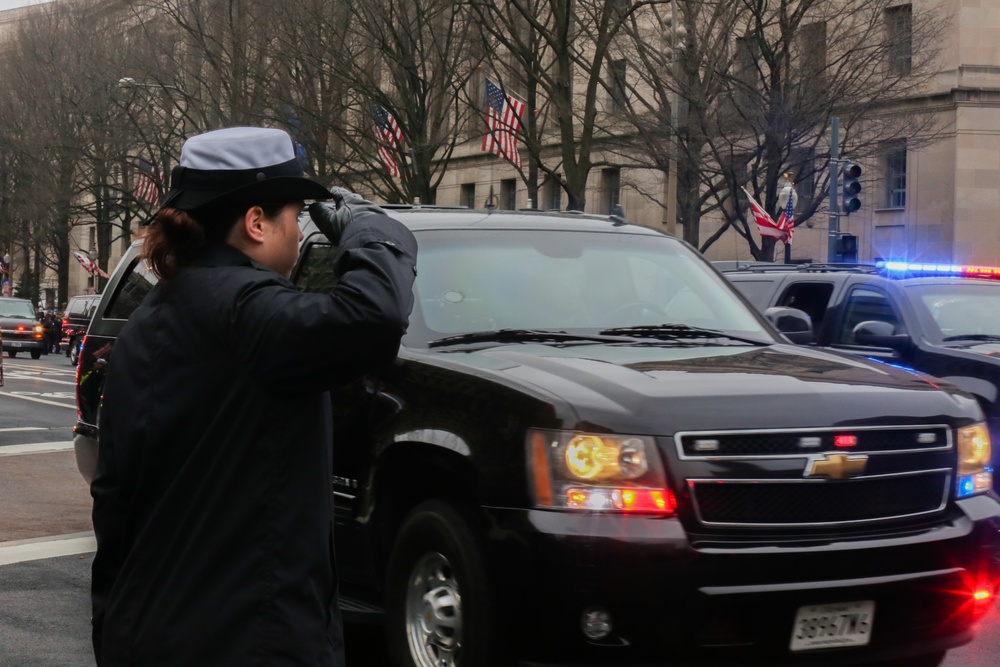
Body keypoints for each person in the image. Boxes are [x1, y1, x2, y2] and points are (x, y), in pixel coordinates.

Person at [90, 127, 417, 666]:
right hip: (246, 639)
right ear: (257, 222)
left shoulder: (151, 320)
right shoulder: (245, 308)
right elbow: (374, 317)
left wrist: (112, 627)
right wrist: (373, 232)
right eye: (295, 215)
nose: (300, 232)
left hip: (146, 631)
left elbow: (113, 502)